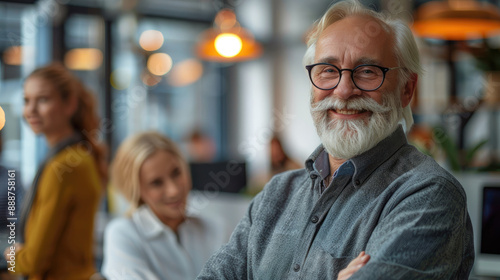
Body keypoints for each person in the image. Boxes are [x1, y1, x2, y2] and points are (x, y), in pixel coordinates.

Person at [197, 1, 474, 279]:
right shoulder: (276, 195)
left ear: (406, 89)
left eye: (367, 71)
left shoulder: (429, 195)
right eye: (328, 70)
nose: (343, 91)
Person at [3, 63, 106, 279]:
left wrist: (11, 257)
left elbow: (32, 261)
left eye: (43, 99)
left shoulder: (63, 167)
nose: (30, 110)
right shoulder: (79, 155)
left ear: (70, 104)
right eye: (26, 100)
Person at [101, 131, 227, 280]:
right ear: (136, 190)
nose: (173, 191)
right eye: (156, 183)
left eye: (176, 173)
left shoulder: (215, 229)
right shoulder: (123, 234)